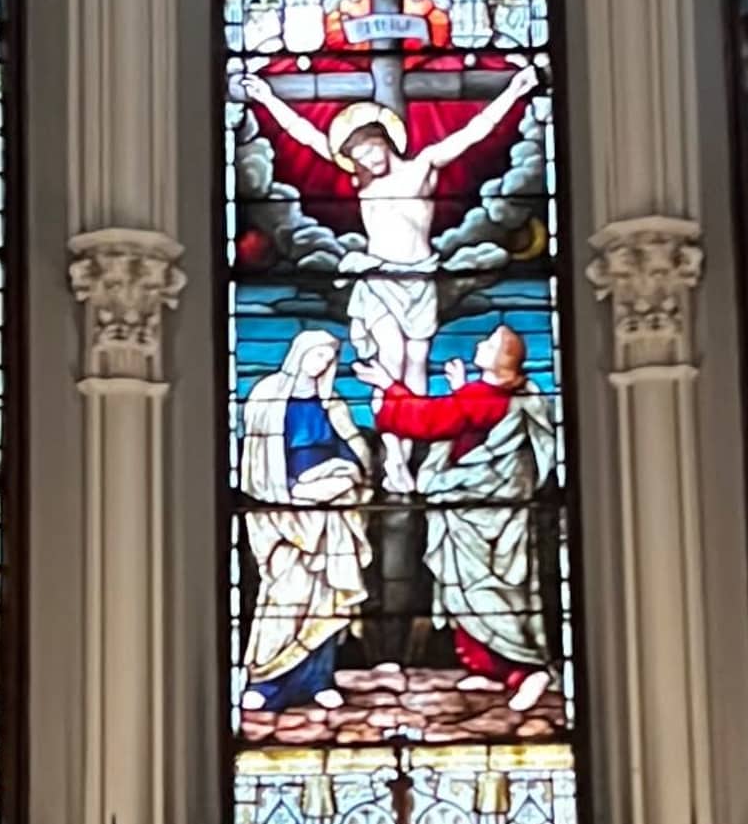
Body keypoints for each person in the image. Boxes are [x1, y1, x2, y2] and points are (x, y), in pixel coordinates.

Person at [241, 56, 539, 396]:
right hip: (379, 276)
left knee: (417, 359)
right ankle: (390, 443)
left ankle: (410, 444)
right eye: (358, 158)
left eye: (370, 149)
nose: (367, 160)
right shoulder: (362, 181)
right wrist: (267, 98)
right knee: (390, 358)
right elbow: (305, 134)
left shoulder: (422, 166)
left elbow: (474, 132)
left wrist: (514, 91)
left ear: (384, 138)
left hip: (421, 274)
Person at [371, 323, 556, 708]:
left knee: (483, 590)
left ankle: (527, 669)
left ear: (503, 360)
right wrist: (459, 390)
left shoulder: (483, 396)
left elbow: (431, 420)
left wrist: (390, 388)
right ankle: (492, 671)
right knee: (474, 590)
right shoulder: (512, 396)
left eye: (489, 343)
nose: (480, 344)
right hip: (484, 511)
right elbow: (473, 427)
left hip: (480, 509)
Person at [236, 323, 375, 713]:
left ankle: (318, 680)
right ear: (299, 353)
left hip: (331, 513)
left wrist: (343, 475)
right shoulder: (267, 396)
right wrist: (287, 495)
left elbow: (354, 452)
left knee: (328, 598)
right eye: (318, 354)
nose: (324, 363)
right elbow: (258, 462)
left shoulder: (333, 404)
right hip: (285, 514)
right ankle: (268, 679)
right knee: (285, 596)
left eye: (330, 358)